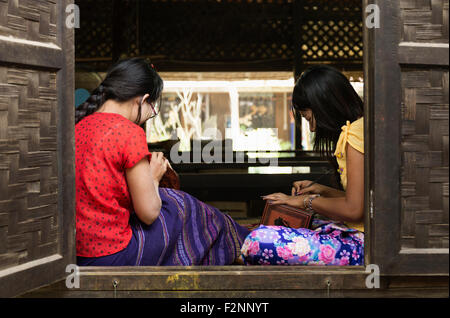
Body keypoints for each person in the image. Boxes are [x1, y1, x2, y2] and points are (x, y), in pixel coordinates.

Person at [75, 58, 250, 266]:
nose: (150, 116)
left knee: (172, 200)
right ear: (143, 99)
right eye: (153, 109)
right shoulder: (128, 132)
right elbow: (148, 213)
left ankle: (241, 242)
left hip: (80, 252)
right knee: (185, 208)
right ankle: (248, 244)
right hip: (113, 254)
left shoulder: (79, 126)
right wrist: (154, 177)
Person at [240, 65, 365, 266]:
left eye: (307, 116)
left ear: (324, 105)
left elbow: (354, 210)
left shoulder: (354, 134)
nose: (311, 126)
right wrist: (321, 191)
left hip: (366, 245)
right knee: (277, 230)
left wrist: (304, 201)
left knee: (257, 241)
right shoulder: (360, 128)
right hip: (367, 235)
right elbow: (363, 201)